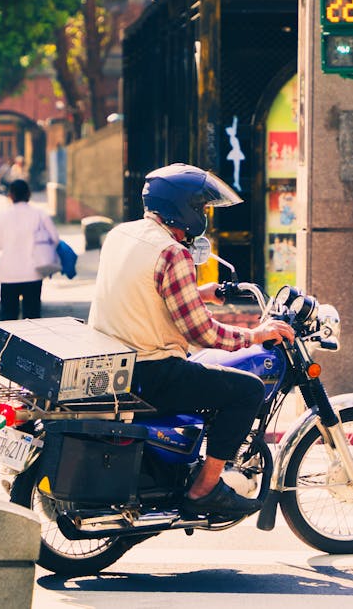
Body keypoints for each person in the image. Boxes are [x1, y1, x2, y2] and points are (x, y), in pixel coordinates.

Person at [88, 163, 294, 517]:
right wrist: (254, 335)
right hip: (151, 372)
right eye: (200, 208)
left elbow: (140, 294)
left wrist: (198, 292)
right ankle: (204, 489)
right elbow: (203, 333)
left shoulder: (122, 234)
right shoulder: (173, 252)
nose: (202, 215)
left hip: (113, 363)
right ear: (183, 208)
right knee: (247, 390)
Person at [0, 179, 59, 320]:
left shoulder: (2, 216)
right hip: (34, 273)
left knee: (8, 318)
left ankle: (10, 343)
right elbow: (54, 239)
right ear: (28, 194)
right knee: (33, 317)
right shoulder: (40, 214)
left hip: (8, 274)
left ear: (10, 195)